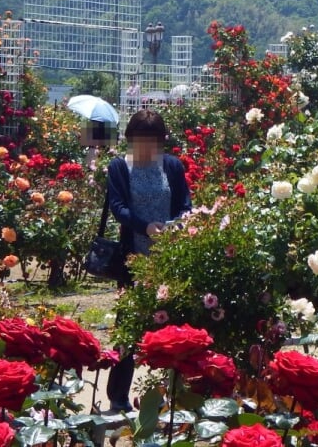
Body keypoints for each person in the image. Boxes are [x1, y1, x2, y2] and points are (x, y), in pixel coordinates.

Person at [103, 108, 191, 414]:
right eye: (141, 141)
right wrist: (145, 227)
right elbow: (118, 208)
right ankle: (118, 396)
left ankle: (175, 394)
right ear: (130, 139)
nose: (146, 147)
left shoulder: (172, 166)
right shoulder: (120, 167)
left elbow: (185, 205)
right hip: (134, 261)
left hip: (169, 260)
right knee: (129, 327)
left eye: (153, 141)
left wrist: (174, 227)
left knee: (175, 328)